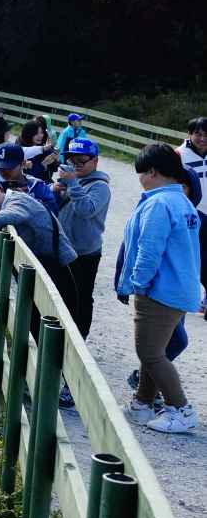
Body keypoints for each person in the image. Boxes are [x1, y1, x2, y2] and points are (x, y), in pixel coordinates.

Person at [115, 143, 202, 433]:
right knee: (155, 349)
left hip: (159, 290)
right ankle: (142, 403)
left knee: (150, 352)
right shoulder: (183, 202)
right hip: (178, 288)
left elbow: (149, 250)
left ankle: (181, 409)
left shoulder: (158, 203)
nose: (139, 178)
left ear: (152, 171)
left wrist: (138, 284)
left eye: (141, 172)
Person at [0, 174, 79, 349]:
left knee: (62, 322)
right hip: (38, 268)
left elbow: (10, 215)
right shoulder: (3, 207)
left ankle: (60, 368)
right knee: (38, 320)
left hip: (56, 268)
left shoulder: (18, 201)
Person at [53, 138, 111, 405]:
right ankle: (56, 362)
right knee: (59, 303)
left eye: (81, 161)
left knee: (79, 305)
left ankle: (74, 373)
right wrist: (56, 191)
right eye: (71, 161)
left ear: (95, 161)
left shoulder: (100, 187)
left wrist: (72, 184)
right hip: (64, 250)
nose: (75, 166)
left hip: (85, 255)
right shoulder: (70, 181)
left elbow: (86, 210)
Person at [178, 117, 207, 313]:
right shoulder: (179, 155)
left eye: (206, 134)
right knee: (188, 256)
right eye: (198, 133)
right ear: (189, 134)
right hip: (190, 214)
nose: (202, 138)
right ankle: (183, 297)